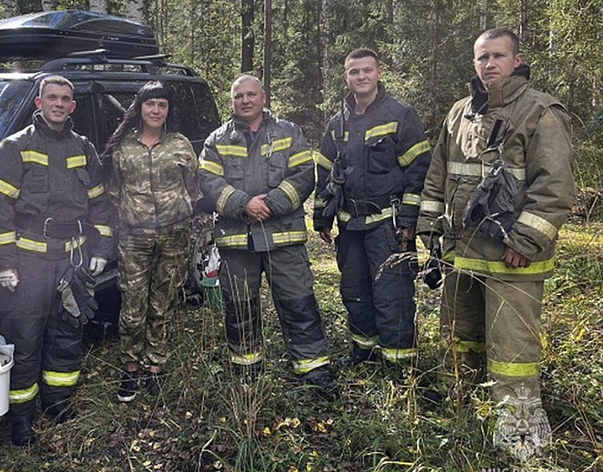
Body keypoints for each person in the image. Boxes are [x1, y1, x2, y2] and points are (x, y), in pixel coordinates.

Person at [416, 28, 574, 460]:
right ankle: (462, 415)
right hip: (460, 254)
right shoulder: (458, 113)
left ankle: (519, 439)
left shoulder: (540, 111)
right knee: (459, 338)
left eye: (497, 56)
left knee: (513, 353)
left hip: (511, 259)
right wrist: (429, 232)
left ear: (517, 59)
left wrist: (525, 240)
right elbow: (438, 179)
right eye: (482, 57)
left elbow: (555, 189)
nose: (489, 64)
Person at [0, 75, 115, 446]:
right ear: (39, 103)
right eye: (52, 98)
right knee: (24, 339)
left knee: (67, 335)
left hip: (72, 260)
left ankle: (57, 403)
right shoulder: (13, 148)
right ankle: (21, 417)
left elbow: (100, 203)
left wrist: (102, 251)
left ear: (73, 106)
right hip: (28, 263)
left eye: (65, 99)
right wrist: (4, 264)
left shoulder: (84, 148)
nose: (59, 104)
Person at [198, 74, 333, 388]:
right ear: (231, 101)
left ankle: (312, 369)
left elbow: (303, 175)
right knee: (240, 307)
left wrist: (269, 204)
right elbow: (208, 183)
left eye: (251, 95)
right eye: (238, 96)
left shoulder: (288, 132)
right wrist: (244, 204)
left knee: (298, 302)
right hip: (237, 241)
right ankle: (247, 370)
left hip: (282, 236)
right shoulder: (216, 140)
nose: (245, 100)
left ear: (263, 97)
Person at [313, 48, 431, 368]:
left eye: (367, 70)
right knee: (354, 291)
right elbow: (325, 171)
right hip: (350, 226)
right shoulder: (337, 123)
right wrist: (322, 217)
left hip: (388, 225)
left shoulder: (400, 115)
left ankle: (398, 365)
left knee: (392, 295)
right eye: (354, 72)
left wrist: (409, 219)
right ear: (346, 77)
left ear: (379, 73)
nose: (361, 77)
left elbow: (418, 171)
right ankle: (363, 354)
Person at [102, 81, 199, 402]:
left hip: (174, 237)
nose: (156, 110)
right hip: (134, 239)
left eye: (162, 105)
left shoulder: (181, 145)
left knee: (163, 304)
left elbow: (194, 188)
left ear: (168, 110)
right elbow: (114, 192)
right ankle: (130, 368)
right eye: (150, 104)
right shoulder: (123, 148)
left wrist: (181, 215)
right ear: (139, 108)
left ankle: (155, 366)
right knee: (132, 306)